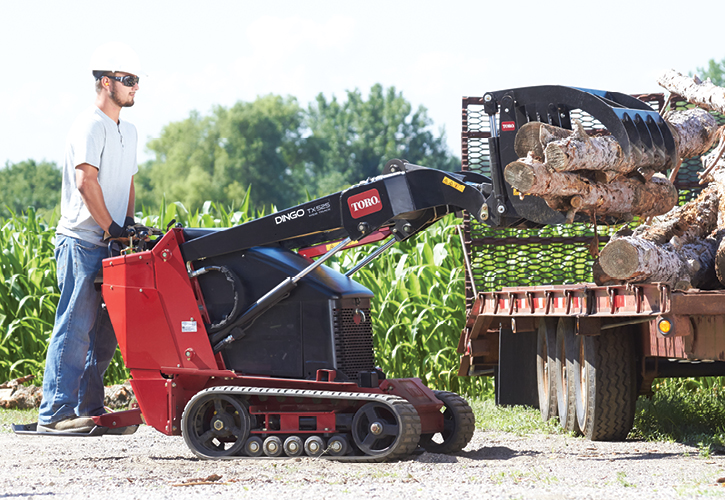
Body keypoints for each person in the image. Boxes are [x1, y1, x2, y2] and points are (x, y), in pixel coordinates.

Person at [37, 42, 142, 433]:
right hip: (81, 242)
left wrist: (127, 224)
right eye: (128, 80)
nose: (135, 87)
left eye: (136, 81)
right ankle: (54, 413)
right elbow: (86, 181)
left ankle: (88, 409)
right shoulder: (89, 124)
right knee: (75, 327)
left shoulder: (127, 130)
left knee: (105, 333)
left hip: (111, 244)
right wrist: (109, 227)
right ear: (104, 81)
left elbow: (127, 182)